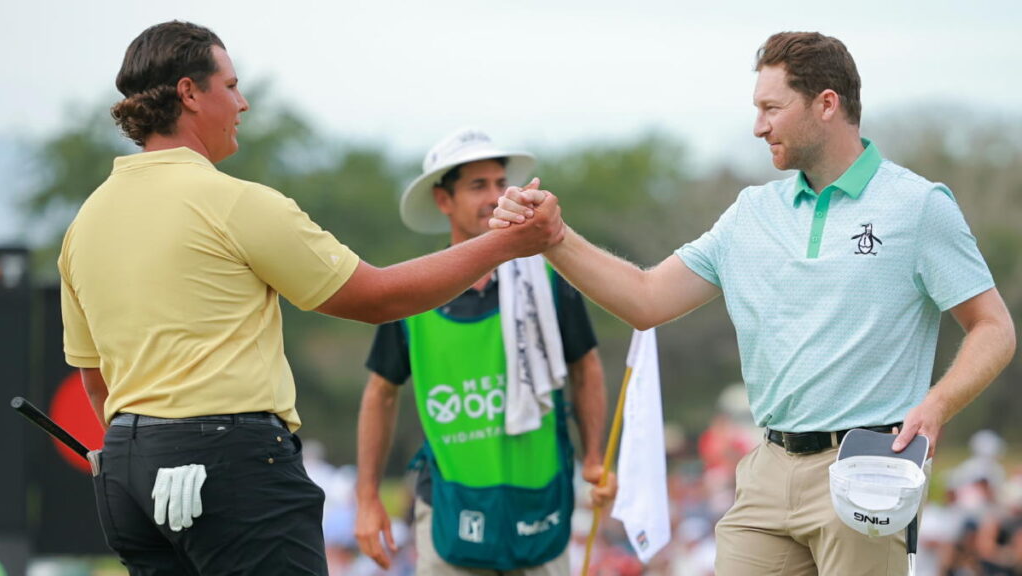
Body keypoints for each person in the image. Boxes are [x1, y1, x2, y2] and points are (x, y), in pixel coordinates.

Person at [492, 31, 1016, 575]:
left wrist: (937, 405)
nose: (758, 125)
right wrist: (555, 238)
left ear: (827, 104)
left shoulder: (918, 206)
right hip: (766, 471)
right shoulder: (750, 213)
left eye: (771, 107)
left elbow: (993, 327)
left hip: (867, 469)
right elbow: (645, 299)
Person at [58, 22, 563, 575]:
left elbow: (96, 380)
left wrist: (153, 450)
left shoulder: (85, 223)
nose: (243, 102)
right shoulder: (232, 201)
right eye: (230, 86)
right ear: (188, 93)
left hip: (129, 470)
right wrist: (504, 243)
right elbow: (375, 297)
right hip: (230, 463)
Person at [354, 128, 611, 575]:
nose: (495, 196)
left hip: (541, 499)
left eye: (499, 182)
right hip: (451, 505)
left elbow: (586, 368)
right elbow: (381, 393)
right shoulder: (415, 290)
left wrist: (593, 459)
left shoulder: (549, 278)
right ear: (443, 200)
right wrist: (367, 498)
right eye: (478, 186)